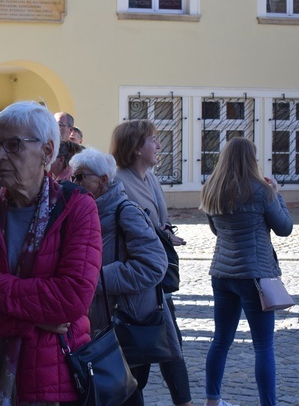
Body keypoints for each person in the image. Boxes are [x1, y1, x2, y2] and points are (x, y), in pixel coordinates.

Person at [0, 101, 102, 405]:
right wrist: (27, 322)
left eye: (13, 145)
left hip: (52, 380)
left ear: (46, 151)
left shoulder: (77, 209)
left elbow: (72, 298)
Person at [69, 148, 182, 405]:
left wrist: (96, 280)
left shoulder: (125, 211)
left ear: (103, 181)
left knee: (126, 392)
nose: (74, 183)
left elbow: (153, 265)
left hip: (125, 325)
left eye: (80, 177)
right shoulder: (85, 213)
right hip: (96, 325)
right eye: (73, 177)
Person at [200, 137, 293, 406]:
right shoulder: (262, 191)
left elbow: (217, 230)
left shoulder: (211, 189)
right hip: (254, 276)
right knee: (263, 346)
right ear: (252, 159)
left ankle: (212, 400)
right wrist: (278, 193)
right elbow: (284, 228)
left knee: (220, 341)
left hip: (222, 274)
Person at [111, 119, 193, 406]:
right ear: (135, 148)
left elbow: (158, 220)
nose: (158, 145)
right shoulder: (118, 182)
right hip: (138, 282)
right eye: (152, 140)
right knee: (146, 353)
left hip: (158, 277)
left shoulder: (150, 178)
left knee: (169, 345)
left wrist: (168, 234)